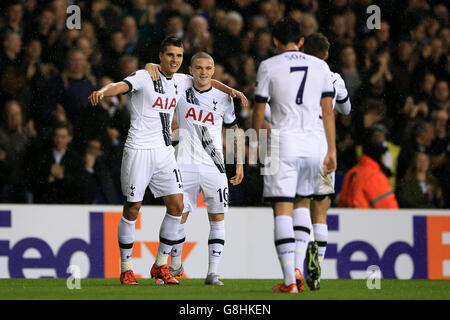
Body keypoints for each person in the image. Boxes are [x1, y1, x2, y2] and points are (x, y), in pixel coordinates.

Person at [88, 36, 247, 286]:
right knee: (132, 208)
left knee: (177, 206)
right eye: (170, 55)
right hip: (139, 150)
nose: (175, 60)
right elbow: (121, 85)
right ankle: (126, 267)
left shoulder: (183, 81)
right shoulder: (144, 76)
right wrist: (102, 91)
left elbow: (206, 80)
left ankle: (161, 265)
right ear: (160, 56)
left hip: (164, 152)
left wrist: (230, 90)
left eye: (179, 56)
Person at [252, 19, 336, 294]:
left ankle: (290, 281)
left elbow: (259, 108)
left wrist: (254, 141)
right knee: (302, 202)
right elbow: (328, 110)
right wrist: (332, 149)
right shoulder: (321, 67)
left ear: (275, 41)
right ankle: (298, 272)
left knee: (282, 209)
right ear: (301, 41)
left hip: (283, 142)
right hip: (316, 145)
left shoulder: (269, 66)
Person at [163, 52, 244, 286]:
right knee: (177, 215)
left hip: (214, 167)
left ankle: (212, 273)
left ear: (214, 70)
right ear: (190, 70)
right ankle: (175, 264)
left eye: (208, 68)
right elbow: (160, 72)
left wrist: (238, 163)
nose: (203, 72)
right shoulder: (180, 89)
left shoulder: (224, 98)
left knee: (217, 219)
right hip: (184, 165)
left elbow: (233, 130)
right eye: (199, 68)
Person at [295, 32, 351, 291]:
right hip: (324, 148)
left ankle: (296, 267)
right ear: (327, 55)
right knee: (321, 213)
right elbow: (346, 109)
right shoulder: (334, 78)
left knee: (299, 207)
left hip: (298, 147)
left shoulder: (293, 74)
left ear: (303, 49)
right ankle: (317, 271)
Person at [339, 140, 399, 209]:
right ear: (378, 157)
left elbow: (342, 203)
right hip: (366, 218)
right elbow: (388, 207)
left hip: (347, 218)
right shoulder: (374, 176)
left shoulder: (351, 172)